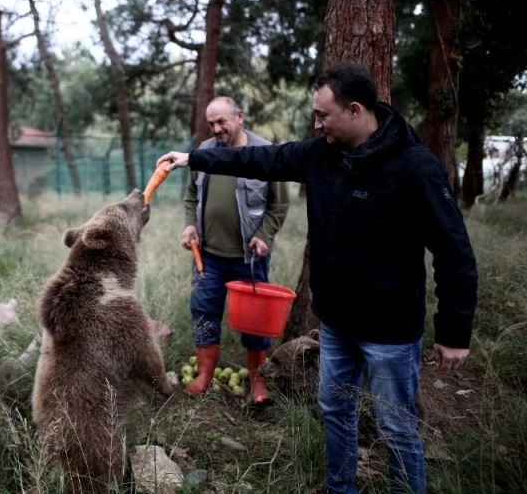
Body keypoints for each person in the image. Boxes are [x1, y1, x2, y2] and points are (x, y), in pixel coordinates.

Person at [158, 63, 478, 494]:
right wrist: (194, 157)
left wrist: (454, 330)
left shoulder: (413, 166)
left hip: (390, 328)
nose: (316, 123)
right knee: (335, 409)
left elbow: (454, 250)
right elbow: (259, 158)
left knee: (396, 426)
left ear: (355, 110)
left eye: (323, 115)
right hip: (336, 323)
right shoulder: (320, 154)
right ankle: (339, 486)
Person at [182, 96, 289, 404]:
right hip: (208, 258)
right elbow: (191, 196)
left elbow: (279, 204)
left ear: (240, 116)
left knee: (256, 325)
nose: (216, 129)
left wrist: (265, 235)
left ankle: (258, 380)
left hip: (249, 260)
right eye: (211, 123)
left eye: (222, 122)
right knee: (203, 314)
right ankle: (204, 374)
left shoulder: (264, 152)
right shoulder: (204, 152)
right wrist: (190, 225)